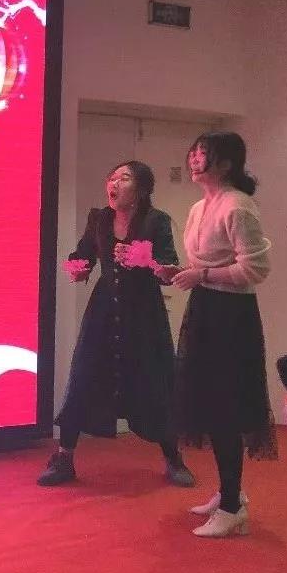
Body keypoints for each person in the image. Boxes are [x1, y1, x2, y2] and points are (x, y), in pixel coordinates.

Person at [39, 161, 195, 487]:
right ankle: (64, 458)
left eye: (124, 178)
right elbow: (82, 254)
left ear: (141, 189)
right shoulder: (99, 219)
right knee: (83, 377)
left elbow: (169, 269)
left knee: (155, 381)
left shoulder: (156, 221)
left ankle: (173, 458)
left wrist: (147, 261)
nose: (114, 183)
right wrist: (78, 267)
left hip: (144, 315)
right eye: (111, 178)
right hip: (103, 312)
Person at [162, 132, 276, 538]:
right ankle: (231, 493)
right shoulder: (199, 207)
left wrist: (203, 275)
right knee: (210, 404)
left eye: (203, 154)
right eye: (193, 152)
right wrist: (180, 273)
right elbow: (204, 267)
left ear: (226, 164)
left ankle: (231, 507)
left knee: (225, 407)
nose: (194, 159)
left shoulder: (238, 205)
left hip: (232, 317)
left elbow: (255, 270)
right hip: (206, 309)